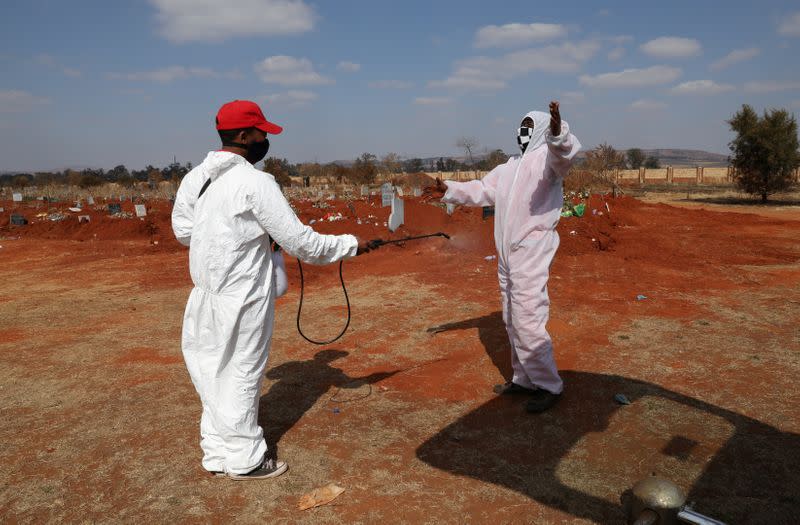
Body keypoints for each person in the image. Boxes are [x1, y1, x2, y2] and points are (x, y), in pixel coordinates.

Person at [172, 100, 370, 479]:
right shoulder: (255, 182)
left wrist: (236, 232)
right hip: (243, 295)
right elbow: (301, 243)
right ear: (245, 136)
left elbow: (184, 232)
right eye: (261, 132)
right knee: (243, 373)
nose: (265, 139)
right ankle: (246, 460)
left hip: (205, 295)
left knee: (213, 373)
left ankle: (216, 454)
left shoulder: (194, 178)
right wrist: (352, 244)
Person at [432, 101, 580, 413]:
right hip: (507, 253)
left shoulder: (547, 161)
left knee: (527, 317)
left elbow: (564, 155)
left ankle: (549, 385)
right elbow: (481, 190)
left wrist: (557, 132)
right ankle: (524, 379)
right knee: (511, 316)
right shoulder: (509, 167)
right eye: (520, 127)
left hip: (531, 248)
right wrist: (447, 190)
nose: (521, 133)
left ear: (540, 131)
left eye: (528, 128)